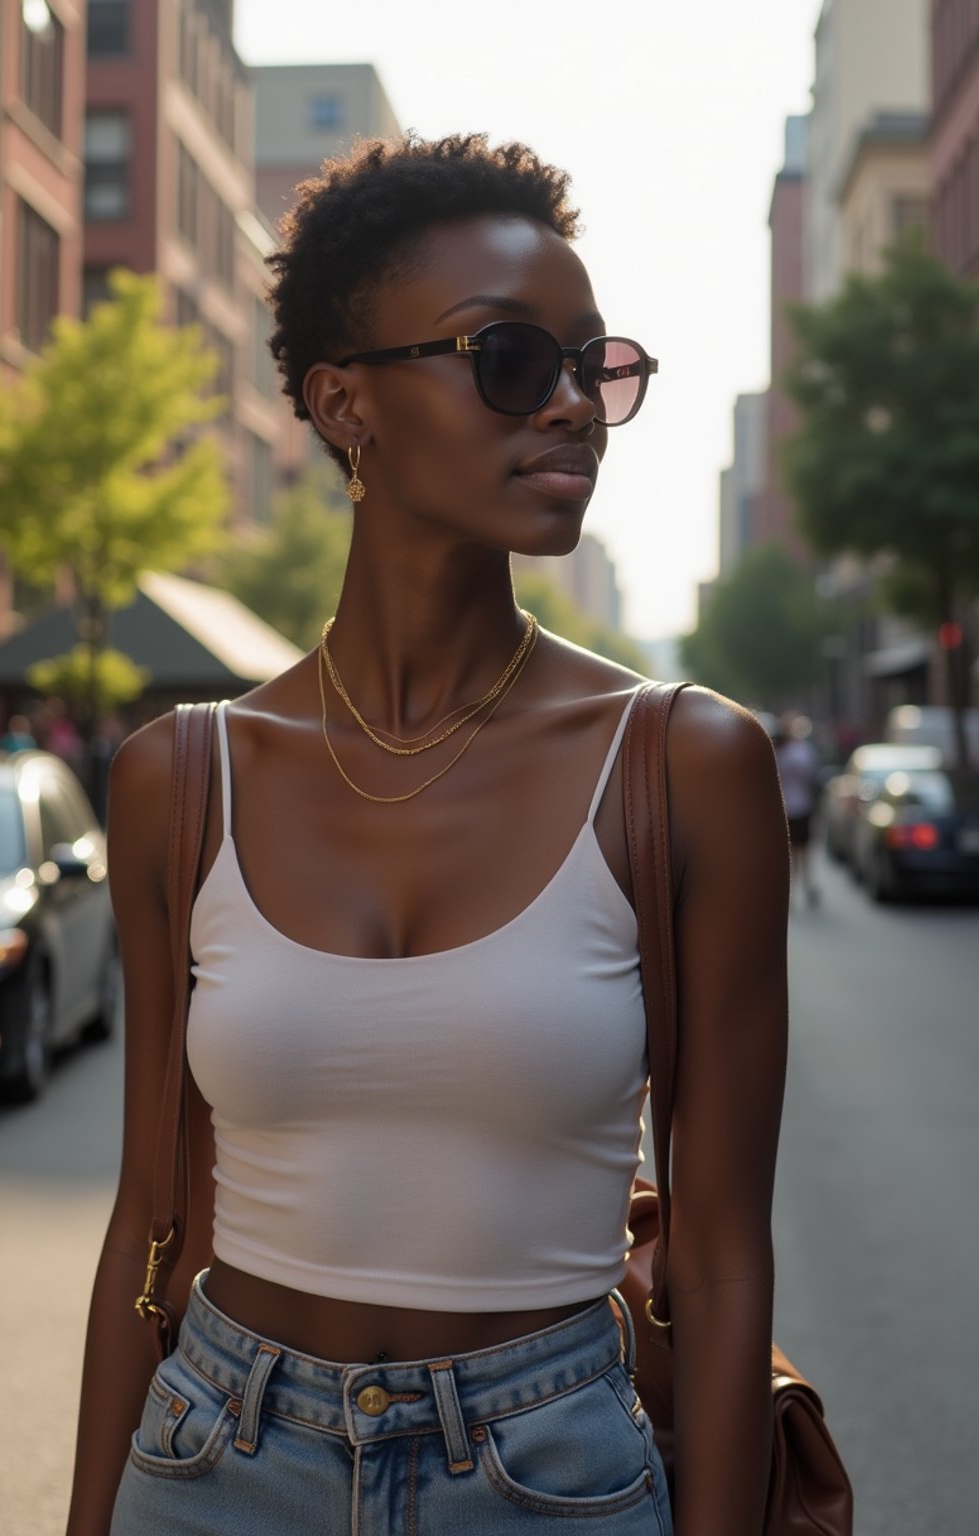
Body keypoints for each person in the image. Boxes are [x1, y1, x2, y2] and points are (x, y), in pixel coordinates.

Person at [68, 134, 789, 1536]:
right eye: (514, 360)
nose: (574, 405)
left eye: (597, 365)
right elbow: (151, 1220)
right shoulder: (182, 777)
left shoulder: (686, 764)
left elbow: (719, 1256)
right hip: (215, 1459)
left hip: (553, 1473)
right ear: (347, 404)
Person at [775, 712, 821, 907]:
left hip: (799, 807)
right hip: (788, 808)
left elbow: (809, 776)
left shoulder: (800, 750)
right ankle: (794, 892)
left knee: (802, 851)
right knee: (792, 854)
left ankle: (805, 888)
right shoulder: (780, 750)